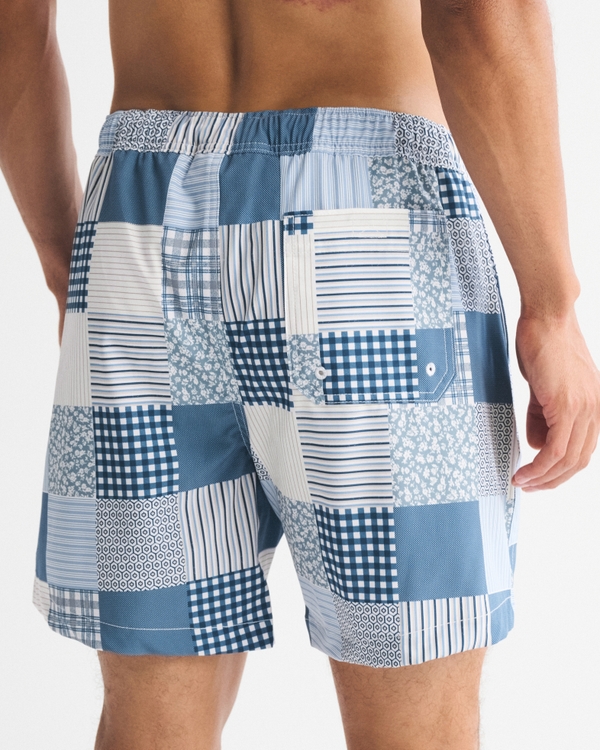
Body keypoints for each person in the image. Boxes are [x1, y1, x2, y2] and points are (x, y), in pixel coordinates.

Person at [1, 0, 599, 748]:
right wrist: (551, 304)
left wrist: (66, 262)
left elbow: (14, 22)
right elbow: (479, 12)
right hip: (363, 221)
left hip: (138, 213)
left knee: (150, 723)